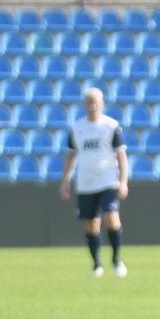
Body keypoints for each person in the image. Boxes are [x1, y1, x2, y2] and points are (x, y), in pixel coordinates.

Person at [59, 87, 129, 278]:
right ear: (85, 105)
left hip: (108, 181)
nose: (92, 105)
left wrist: (123, 181)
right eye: (89, 102)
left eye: (95, 102)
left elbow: (121, 156)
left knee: (112, 218)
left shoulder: (111, 126)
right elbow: (71, 156)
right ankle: (96, 264)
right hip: (86, 183)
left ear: (102, 103)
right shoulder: (77, 128)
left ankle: (116, 260)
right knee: (91, 225)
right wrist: (65, 180)